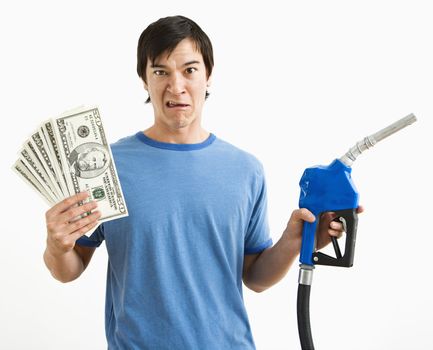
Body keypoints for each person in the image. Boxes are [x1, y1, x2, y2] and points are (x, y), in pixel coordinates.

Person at [43, 15, 363, 349]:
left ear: (208, 75)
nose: (176, 86)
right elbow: (69, 269)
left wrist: (296, 240)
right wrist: (56, 245)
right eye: (160, 71)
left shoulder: (245, 169)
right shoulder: (104, 166)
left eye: (189, 70)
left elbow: (255, 277)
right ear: (144, 80)